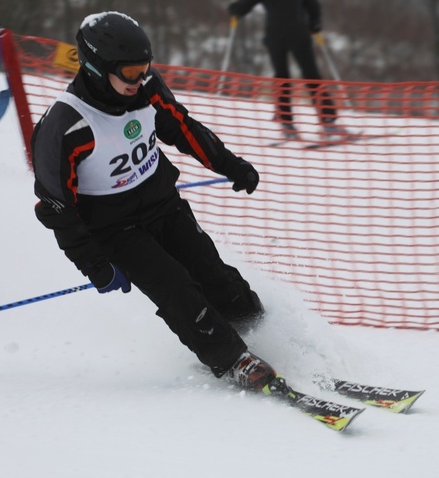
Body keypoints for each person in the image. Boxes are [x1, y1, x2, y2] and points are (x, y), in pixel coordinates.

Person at [31, 11, 278, 393]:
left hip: (164, 203)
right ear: (97, 68)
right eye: (130, 72)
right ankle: (231, 358)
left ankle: (262, 330)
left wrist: (230, 164)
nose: (140, 79)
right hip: (116, 229)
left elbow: (182, 128)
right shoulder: (66, 126)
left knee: (212, 272)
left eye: (145, 68)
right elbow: (55, 208)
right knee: (177, 288)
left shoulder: (145, 90)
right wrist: (94, 264)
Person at [226, 0, 344, 140]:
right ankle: (303, 122)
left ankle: (302, 122)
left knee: (293, 77)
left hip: (283, 35)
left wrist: (236, 9)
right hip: (289, 34)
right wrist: (315, 21)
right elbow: (312, 5)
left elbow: (245, 5)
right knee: (297, 77)